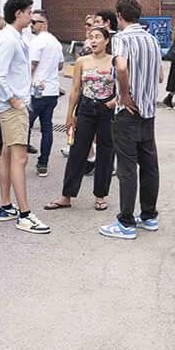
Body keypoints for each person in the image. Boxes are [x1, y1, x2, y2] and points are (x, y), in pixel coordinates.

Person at [0, 0, 50, 234]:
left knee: (7, 154)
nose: (31, 17)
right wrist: (12, 99)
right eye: (29, 12)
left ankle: (6, 206)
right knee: (19, 158)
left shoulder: (10, 37)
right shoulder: (10, 40)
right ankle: (24, 213)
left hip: (9, 104)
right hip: (13, 105)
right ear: (18, 13)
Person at [101, 0, 163, 240]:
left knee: (127, 167)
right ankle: (149, 215)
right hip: (148, 109)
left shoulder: (121, 39)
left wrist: (124, 94)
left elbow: (122, 67)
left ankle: (125, 221)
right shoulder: (151, 39)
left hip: (128, 111)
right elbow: (159, 75)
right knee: (149, 164)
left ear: (118, 16)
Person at [48, 24, 114, 212]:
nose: (93, 40)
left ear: (106, 40)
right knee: (77, 151)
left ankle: (100, 196)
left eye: (98, 37)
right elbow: (75, 89)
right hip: (85, 109)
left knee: (105, 153)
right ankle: (66, 195)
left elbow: (125, 85)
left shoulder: (114, 61)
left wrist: (116, 101)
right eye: (91, 37)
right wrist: (69, 115)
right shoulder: (82, 61)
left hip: (106, 111)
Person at [26, 9, 63, 175]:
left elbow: (32, 65)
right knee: (46, 127)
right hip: (52, 90)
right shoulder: (55, 41)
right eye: (31, 21)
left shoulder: (37, 41)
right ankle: (43, 163)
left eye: (35, 22)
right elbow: (60, 65)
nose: (31, 25)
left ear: (44, 23)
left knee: (25, 124)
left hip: (37, 90)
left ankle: (19, 159)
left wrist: (24, 84)